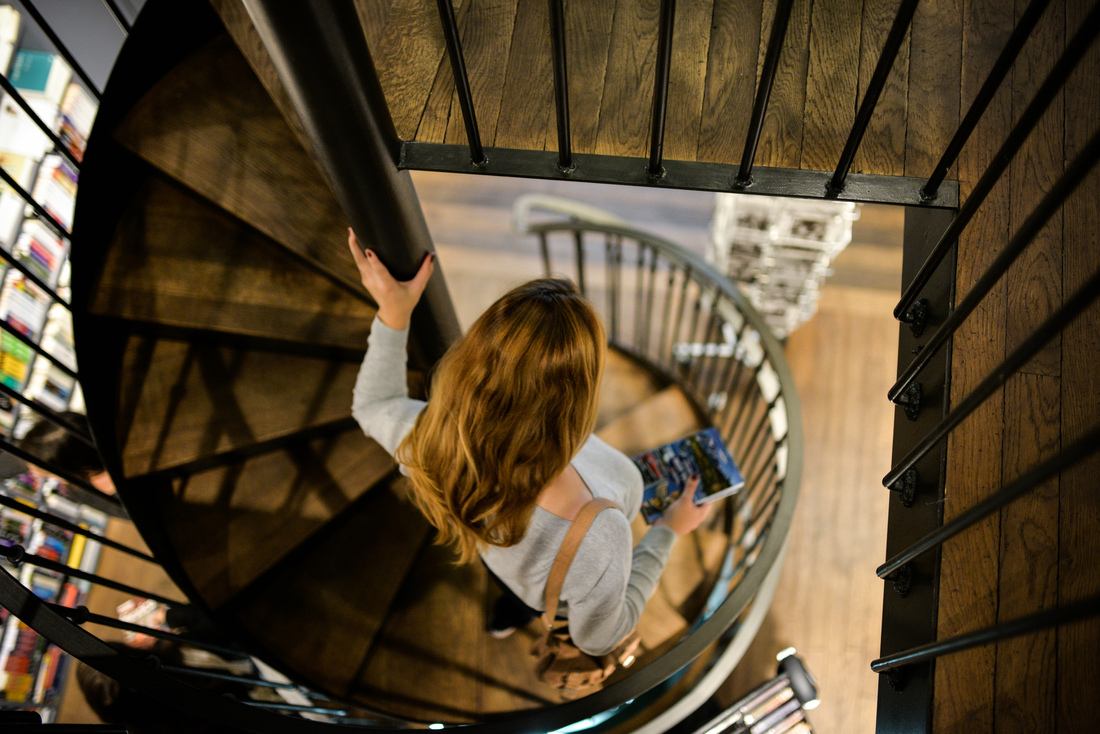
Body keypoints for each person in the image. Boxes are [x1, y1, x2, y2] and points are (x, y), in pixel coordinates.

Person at [347, 231, 711, 656]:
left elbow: (374, 404)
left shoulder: (436, 439)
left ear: (477, 360)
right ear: (578, 395)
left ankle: (507, 616)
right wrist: (667, 530)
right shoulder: (602, 537)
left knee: (517, 594)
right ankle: (512, 615)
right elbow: (598, 637)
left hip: (501, 558)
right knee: (534, 598)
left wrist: (394, 314)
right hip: (550, 583)